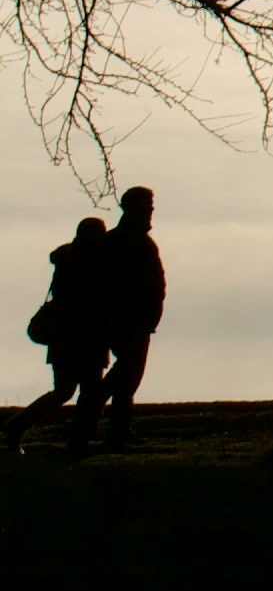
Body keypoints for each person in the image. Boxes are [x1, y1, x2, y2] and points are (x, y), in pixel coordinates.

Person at [10, 215, 112, 456]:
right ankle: (77, 440)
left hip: (67, 340)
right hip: (84, 337)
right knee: (81, 391)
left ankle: (19, 426)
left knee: (67, 391)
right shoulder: (90, 262)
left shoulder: (67, 260)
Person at [89, 187, 163, 450]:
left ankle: (113, 426)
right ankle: (103, 419)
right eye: (147, 205)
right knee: (127, 374)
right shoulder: (125, 242)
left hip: (136, 320)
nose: (151, 210)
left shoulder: (128, 240)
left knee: (128, 375)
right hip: (126, 320)